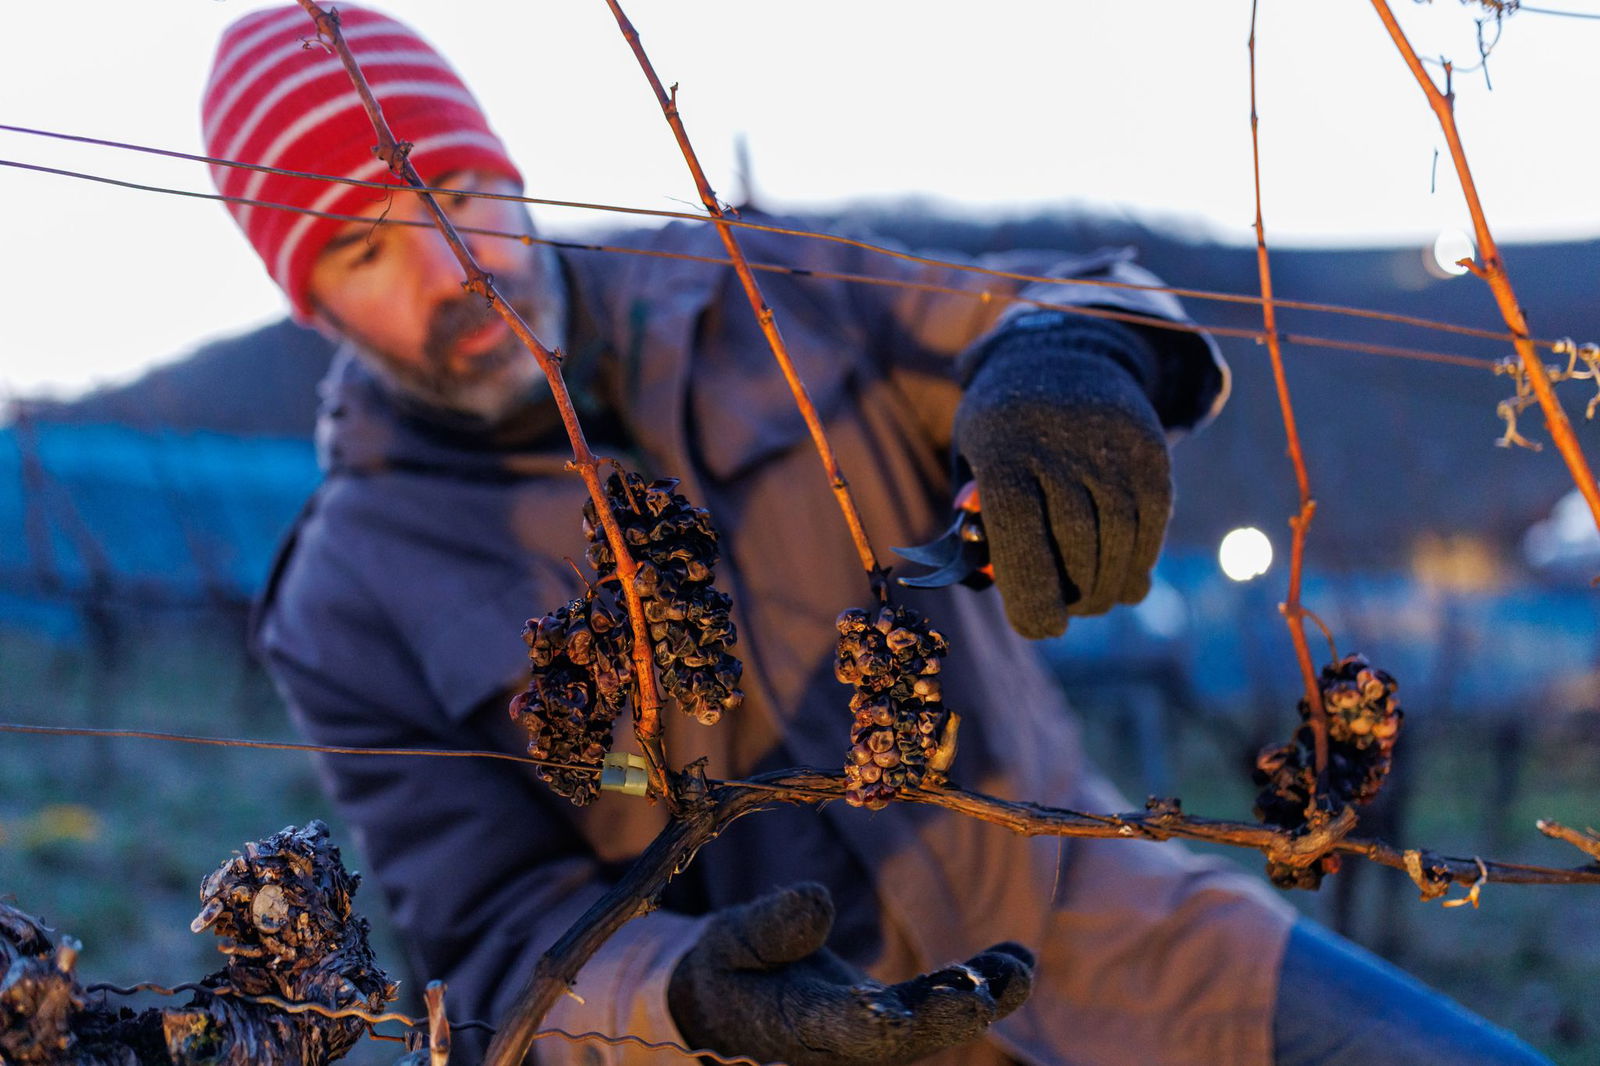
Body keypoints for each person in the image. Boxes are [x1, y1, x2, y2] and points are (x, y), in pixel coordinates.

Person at [208, 6, 1551, 1064]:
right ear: (312, 308)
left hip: (1112, 939)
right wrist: (684, 999)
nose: (449, 267)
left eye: (448, 190)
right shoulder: (345, 595)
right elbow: (498, 944)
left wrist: (1067, 364)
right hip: (789, 1049)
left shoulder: (762, 289)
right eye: (365, 251)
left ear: (504, 167)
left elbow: (1038, 305)